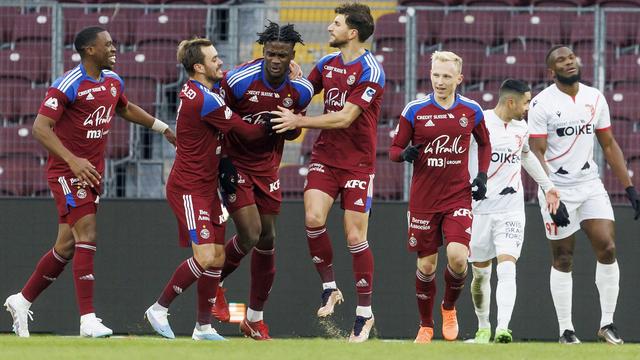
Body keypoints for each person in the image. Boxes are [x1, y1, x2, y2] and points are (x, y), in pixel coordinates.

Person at [3, 26, 176, 338]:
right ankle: (88, 319)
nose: (114, 48)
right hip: (67, 173)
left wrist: (163, 128)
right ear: (89, 51)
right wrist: (72, 160)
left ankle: (22, 300)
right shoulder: (68, 84)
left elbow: (124, 107)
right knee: (88, 233)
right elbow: (41, 128)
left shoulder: (112, 81)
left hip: (92, 172)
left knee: (66, 246)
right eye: (107, 44)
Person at [270, 2, 383, 342]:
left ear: (353, 32)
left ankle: (364, 312)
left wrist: (299, 121)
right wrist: (295, 81)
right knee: (314, 217)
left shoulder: (371, 70)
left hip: (359, 164)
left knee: (354, 236)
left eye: (336, 23)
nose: (329, 28)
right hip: (325, 157)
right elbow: (305, 93)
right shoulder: (327, 63)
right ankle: (330, 288)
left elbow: (345, 117)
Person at [144, 37, 267, 341]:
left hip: (207, 187)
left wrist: (263, 64)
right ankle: (159, 308)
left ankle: (203, 327)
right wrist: (282, 121)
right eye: (213, 59)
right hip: (188, 189)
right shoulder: (206, 100)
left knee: (218, 257)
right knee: (205, 257)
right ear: (198, 67)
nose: (219, 62)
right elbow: (247, 132)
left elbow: (234, 76)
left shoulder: (198, 90)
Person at [528, 45, 640, 345]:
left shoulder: (594, 97)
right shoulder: (541, 105)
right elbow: (535, 153)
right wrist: (550, 192)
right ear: (551, 72)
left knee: (607, 247)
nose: (568, 62)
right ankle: (566, 329)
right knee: (563, 256)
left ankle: (607, 324)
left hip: (590, 184)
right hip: (556, 188)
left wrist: (629, 187)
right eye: (560, 60)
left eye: (570, 57)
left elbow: (608, 144)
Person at [209, 21, 313, 340]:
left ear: (292, 54)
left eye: (282, 54)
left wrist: (292, 128)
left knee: (268, 239)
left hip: (268, 169)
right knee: (251, 233)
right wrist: (216, 159)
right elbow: (212, 112)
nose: (276, 60)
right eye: (271, 54)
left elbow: (294, 128)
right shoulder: (238, 80)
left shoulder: (301, 89)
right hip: (234, 163)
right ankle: (215, 284)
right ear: (263, 52)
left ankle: (254, 318)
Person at [389, 51, 491, 344]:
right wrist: (404, 155)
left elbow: (485, 143)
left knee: (458, 259)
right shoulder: (415, 110)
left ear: (459, 78)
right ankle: (425, 324)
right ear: (429, 74)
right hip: (423, 200)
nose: (440, 81)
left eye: (447, 76)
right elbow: (394, 149)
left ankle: (448, 307)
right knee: (427, 266)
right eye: (436, 75)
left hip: (457, 196)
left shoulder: (471, 110)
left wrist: (482, 175)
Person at [468, 79, 561, 344]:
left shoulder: (522, 127)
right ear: (511, 102)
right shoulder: (480, 123)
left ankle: (502, 328)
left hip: (510, 210)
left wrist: (549, 187)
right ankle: (483, 327)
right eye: (525, 102)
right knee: (480, 273)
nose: (527, 108)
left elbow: (526, 155)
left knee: (508, 266)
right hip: (479, 209)